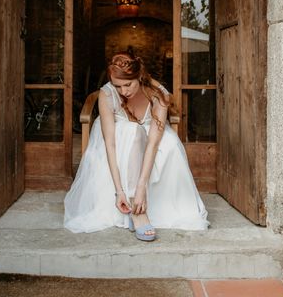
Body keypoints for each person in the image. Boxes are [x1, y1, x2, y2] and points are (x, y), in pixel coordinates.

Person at [64, 52, 209, 241]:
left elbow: (153, 142)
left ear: (139, 77)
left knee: (170, 143)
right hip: (120, 139)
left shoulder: (158, 95)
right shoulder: (107, 94)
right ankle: (138, 212)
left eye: (128, 84)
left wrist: (141, 187)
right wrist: (120, 191)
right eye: (118, 86)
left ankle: (142, 201)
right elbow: (110, 143)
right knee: (132, 131)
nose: (123, 91)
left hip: (150, 139)